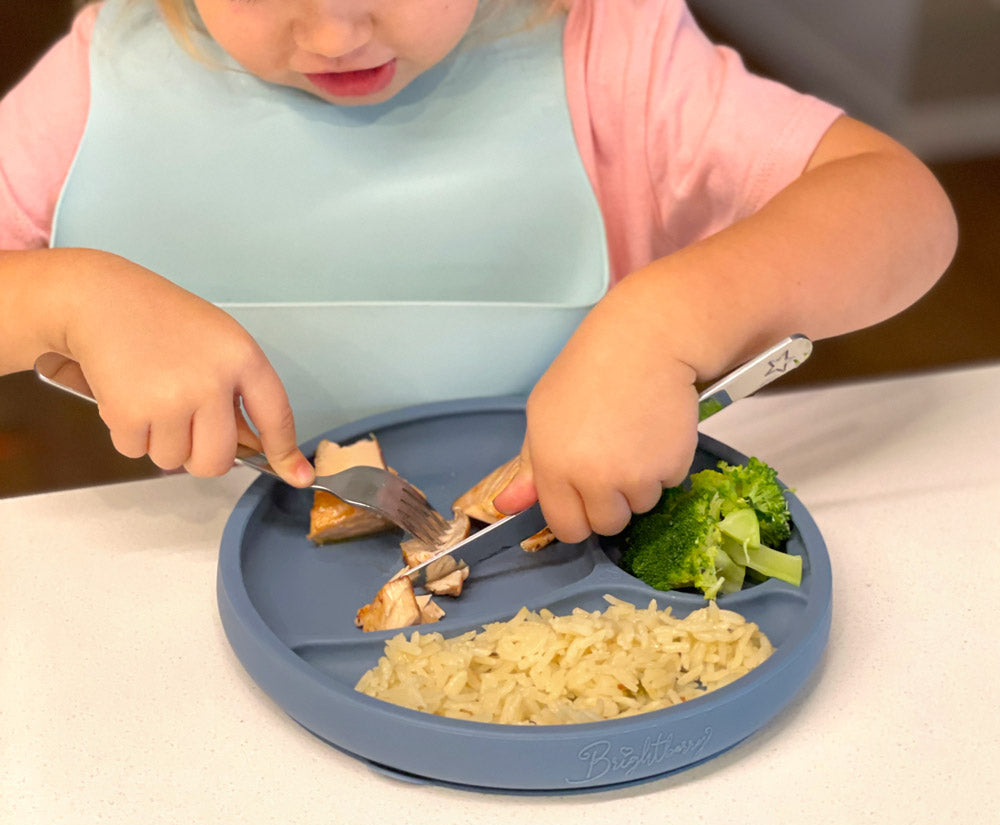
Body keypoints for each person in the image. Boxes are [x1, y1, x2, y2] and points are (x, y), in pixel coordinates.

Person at [0, 0, 956, 543]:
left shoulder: (606, 53)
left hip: (561, 567)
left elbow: (900, 206)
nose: (337, 32)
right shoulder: (96, 84)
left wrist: (667, 322)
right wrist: (62, 295)